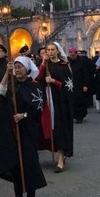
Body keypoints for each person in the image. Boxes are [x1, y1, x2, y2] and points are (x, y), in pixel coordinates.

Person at [0, 57, 47, 197]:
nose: (17, 70)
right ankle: (18, 195)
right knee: (15, 163)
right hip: (12, 128)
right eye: (15, 68)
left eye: (20, 68)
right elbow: (1, 90)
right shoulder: (11, 85)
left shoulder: (35, 85)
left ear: (27, 69)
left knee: (29, 162)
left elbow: (38, 108)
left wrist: (24, 115)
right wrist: (7, 71)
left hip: (28, 129)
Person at [36, 42, 74, 172]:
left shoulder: (64, 66)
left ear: (58, 51)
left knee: (59, 127)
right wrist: (42, 62)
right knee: (48, 126)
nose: (50, 52)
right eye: (48, 50)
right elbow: (38, 78)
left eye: (53, 50)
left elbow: (68, 86)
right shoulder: (45, 65)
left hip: (60, 101)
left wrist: (54, 82)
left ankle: (61, 156)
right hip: (47, 100)